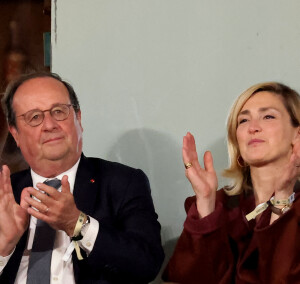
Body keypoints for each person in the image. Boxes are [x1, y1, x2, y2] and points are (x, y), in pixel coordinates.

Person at [0, 71, 164, 284]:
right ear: (15, 134)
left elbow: (146, 264)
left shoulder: (123, 183)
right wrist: (4, 247)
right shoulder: (5, 195)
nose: (49, 125)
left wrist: (77, 224)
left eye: (59, 111)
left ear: (78, 118)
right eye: (35, 117)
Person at [163, 82, 300, 284]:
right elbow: (188, 278)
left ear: (297, 134)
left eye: (268, 116)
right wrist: (206, 202)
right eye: (243, 120)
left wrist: (281, 198)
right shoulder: (220, 206)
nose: (253, 127)